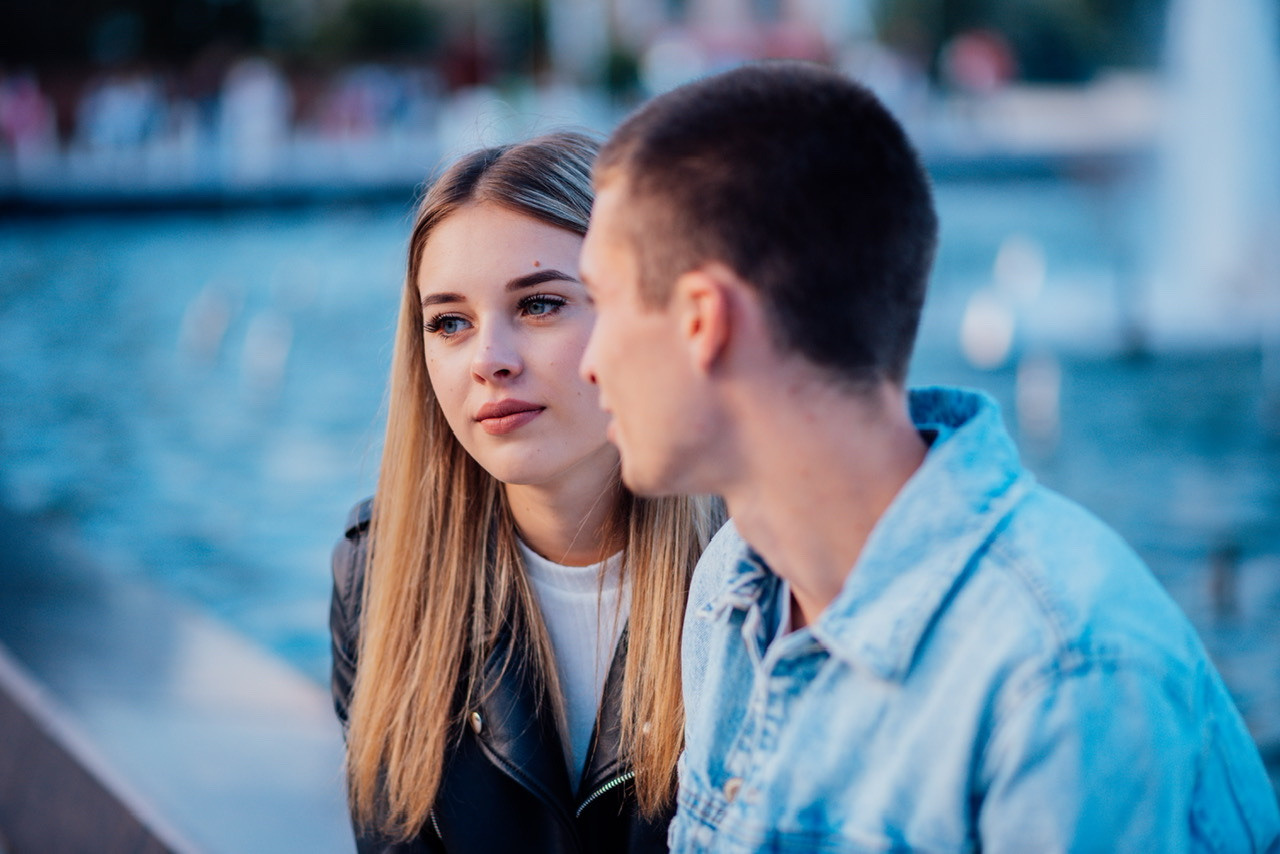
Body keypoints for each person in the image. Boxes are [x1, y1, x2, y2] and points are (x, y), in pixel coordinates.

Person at [577, 62, 1280, 851]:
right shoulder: (730, 586)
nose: (588, 360)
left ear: (704, 320)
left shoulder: (1062, 670)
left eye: (602, 303)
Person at [330, 131, 722, 853]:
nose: (489, 361)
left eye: (539, 305)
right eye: (450, 322)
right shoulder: (378, 578)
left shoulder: (758, 578)